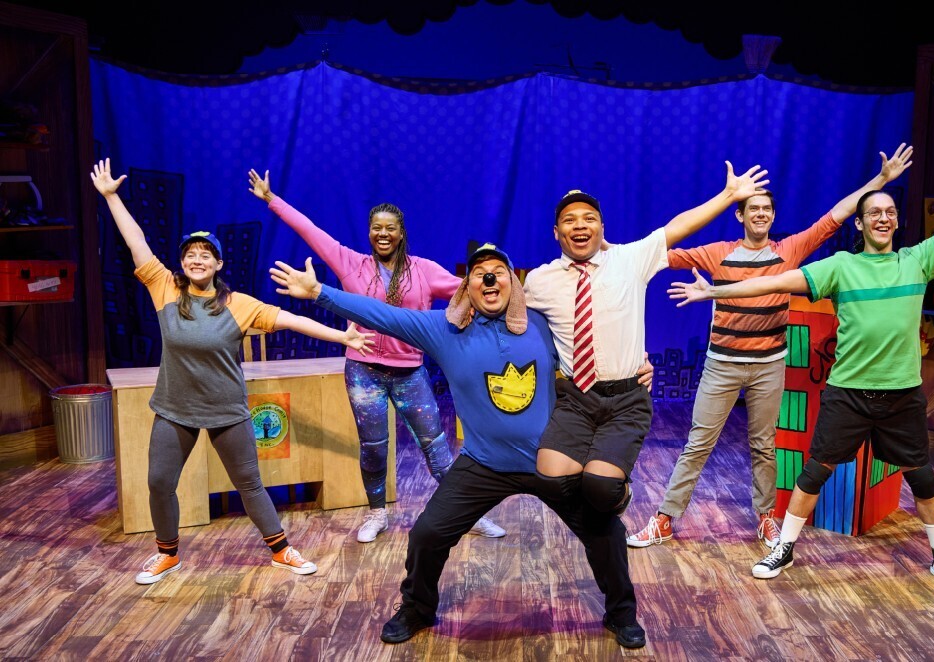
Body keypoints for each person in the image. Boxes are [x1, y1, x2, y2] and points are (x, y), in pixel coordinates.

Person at [667, 131, 934, 590]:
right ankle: (784, 547)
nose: (883, 218)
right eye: (874, 214)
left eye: (889, 212)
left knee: (922, 477)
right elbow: (775, 282)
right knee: (814, 472)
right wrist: (715, 291)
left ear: (896, 223)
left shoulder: (918, 260)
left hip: (901, 393)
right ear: (862, 225)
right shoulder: (840, 267)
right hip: (847, 391)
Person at [271, 245, 653, 648]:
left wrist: (635, 365)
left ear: (514, 282)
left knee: (606, 533)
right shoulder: (444, 331)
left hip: (548, 460)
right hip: (483, 464)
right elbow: (383, 314)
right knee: (427, 534)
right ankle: (417, 608)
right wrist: (319, 293)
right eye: (479, 273)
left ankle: (621, 613)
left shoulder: (543, 324)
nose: (489, 278)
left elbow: (596, 342)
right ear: (466, 286)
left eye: (498, 271)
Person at [91, 158, 374, 584]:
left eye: (205, 255)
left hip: (227, 411)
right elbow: (137, 243)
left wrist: (342, 337)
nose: (197, 259)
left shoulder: (238, 304)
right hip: (175, 409)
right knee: (159, 482)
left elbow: (292, 320)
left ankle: (281, 550)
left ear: (219, 264)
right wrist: (112, 197)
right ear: (182, 264)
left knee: (249, 484)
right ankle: (167, 555)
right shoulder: (165, 289)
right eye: (190, 255)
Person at [628, 144, 914, 550]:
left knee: (764, 447)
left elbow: (835, 217)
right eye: (753, 208)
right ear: (740, 216)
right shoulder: (718, 253)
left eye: (766, 209)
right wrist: (612, 254)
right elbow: (657, 255)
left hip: (768, 366)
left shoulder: (788, 251)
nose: (760, 214)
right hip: (722, 366)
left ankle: (766, 518)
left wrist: (881, 180)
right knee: (698, 444)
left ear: (773, 216)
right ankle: (664, 519)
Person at [247, 170, 506, 542]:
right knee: (373, 448)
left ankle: (471, 515)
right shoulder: (350, 263)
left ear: (401, 233)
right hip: (363, 371)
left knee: (436, 446)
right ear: (369, 232)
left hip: (409, 373)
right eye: (376, 228)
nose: (383, 234)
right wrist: (272, 200)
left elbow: (468, 289)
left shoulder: (424, 271)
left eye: (390, 229)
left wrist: (493, 271)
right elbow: (310, 230)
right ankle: (376, 513)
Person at [524, 162, 769, 517]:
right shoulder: (539, 281)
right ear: (556, 232)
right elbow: (511, 318)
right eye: (569, 220)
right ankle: (596, 496)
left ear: (601, 228)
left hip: (626, 398)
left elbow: (677, 227)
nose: (579, 225)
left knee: (601, 488)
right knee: (550, 481)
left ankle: (616, 491)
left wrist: (729, 195)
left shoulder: (629, 259)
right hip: (576, 398)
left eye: (589, 218)